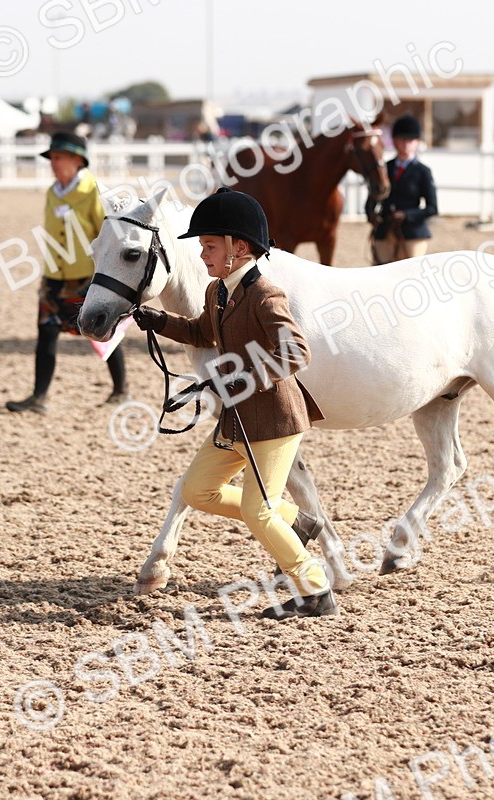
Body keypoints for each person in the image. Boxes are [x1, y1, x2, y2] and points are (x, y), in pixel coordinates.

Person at [131, 188, 337, 620]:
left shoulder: (265, 295)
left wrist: (245, 376)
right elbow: (203, 332)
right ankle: (297, 520)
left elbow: (297, 352)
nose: (202, 254)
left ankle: (315, 591)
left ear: (238, 249)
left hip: (273, 421)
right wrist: (160, 322)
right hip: (236, 421)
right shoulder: (217, 292)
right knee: (196, 490)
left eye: (209, 246)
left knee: (257, 511)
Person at [8, 131, 128, 412]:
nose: (53, 162)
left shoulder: (93, 193)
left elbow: (110, 235)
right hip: (54, 277)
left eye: (58, 157)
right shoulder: (53, 192)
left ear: (77, 159)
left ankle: (121, 390)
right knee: (46, 333)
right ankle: (39, 397)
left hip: (87, 279)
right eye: (52, 157)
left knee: (102, 333)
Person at [370, 114, 438, 264]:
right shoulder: (385, 168)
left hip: (412, 232)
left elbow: (432, 208)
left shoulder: (423, 172)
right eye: (402, 139)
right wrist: (372, 216)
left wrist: (406, 214)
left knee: (412, 271)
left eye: (411, 140)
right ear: (394, 141)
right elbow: (372, 197)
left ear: (417, 142)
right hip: (385, 228)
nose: (406, 144)